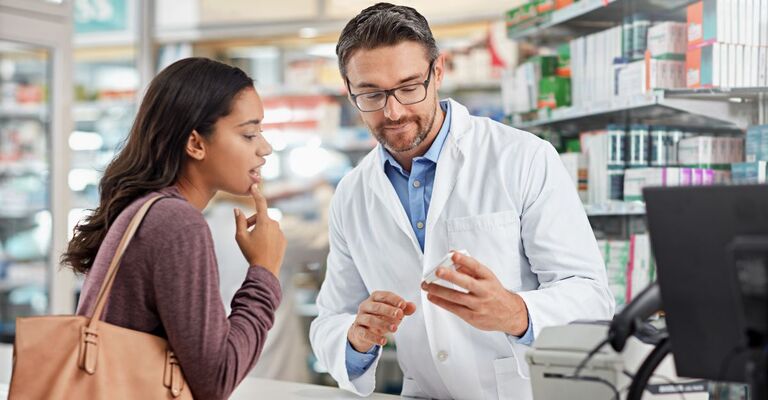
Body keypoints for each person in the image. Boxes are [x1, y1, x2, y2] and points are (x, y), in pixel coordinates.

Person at [309, 3, 615, 399]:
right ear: (349, 89)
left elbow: (591, 295)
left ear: (437, 72)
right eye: (371, 94)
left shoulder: (522, 157)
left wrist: (516, 313)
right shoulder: (352, 194)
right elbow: (330, 317)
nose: (393, 111)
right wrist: (356, 339)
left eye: (409, 87)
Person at [63, 57, 286, 400]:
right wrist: (264, 271)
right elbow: (217, 379)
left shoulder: (149, 209)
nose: (264, 148)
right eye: (249, 134)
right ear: (195, 144)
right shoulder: (178, 222)